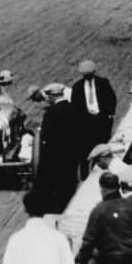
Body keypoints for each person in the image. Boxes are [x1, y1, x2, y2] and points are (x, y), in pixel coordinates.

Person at [37, 83, 81, 213]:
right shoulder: (74, 108)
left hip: (54, 154)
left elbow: (45, 134)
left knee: (54, 183)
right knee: (69, 181)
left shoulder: (51, 112)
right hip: (72, 153)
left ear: (51, 96)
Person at [70, 60, 117, 163]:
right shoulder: (77, 87)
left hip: (102, 118)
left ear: (94, 72)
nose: (87, 77)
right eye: (85, 75)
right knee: (88, 146)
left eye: (89, 75)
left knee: (103, 144)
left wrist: (110, 114)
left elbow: (111, 98)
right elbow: (75, 106)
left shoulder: (103, 82)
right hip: (86, 121)